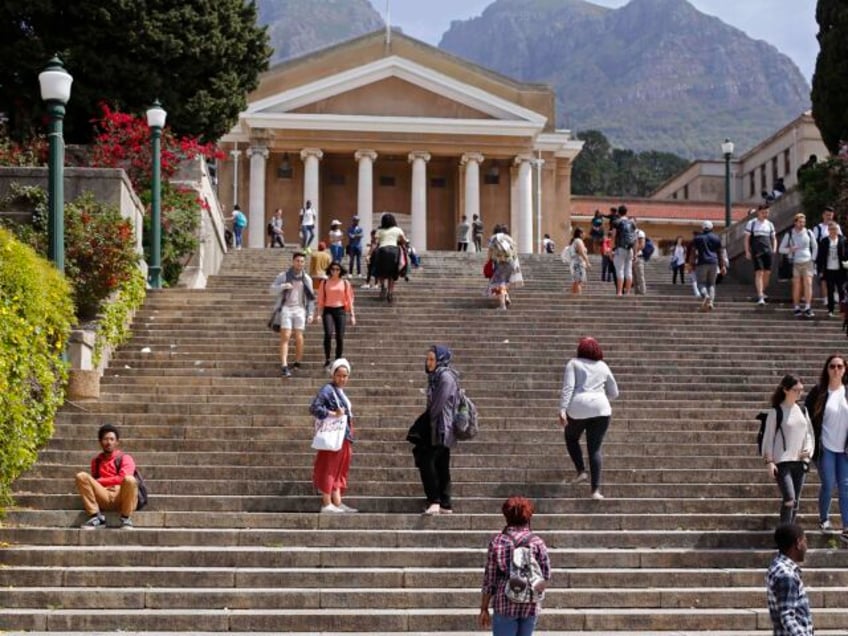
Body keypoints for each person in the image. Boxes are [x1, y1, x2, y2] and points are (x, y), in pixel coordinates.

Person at [478, 496, 551, 635]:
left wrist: (484, 608)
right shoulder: (537, 542)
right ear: (528, 517)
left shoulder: (498, 541)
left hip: (504, 603)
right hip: (530, 604)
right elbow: (546, 574)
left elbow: (489, 580)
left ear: (506, 516)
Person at [558, 337, 619, 500]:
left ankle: (581, 471)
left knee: (571, 437)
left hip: (578, 406)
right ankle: (595, 491)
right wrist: (599, 397)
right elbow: (614, 392)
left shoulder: (573, 363)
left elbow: (568, 387)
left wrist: (563, 409)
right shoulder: (603, 366)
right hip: (601, 408)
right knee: (595, 448)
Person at [804, 354, 848, 541]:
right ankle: (824, 518)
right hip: (825, 446)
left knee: (845, 487)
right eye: (832, 366)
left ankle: (846, 527)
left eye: (840, 366)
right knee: (829, 484)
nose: (836, 370)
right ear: (827, 369)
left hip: (844, 448)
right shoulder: (819, 392)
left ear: (845, 369)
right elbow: (805, 417)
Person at [762, 374, 815, 524]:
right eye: (796, 390)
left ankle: (790, 539)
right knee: (789, 499)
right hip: (782, 462)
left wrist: (808, 453)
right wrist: (769, 462)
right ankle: (784, 537)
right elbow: (768, 438)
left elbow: (809, 434)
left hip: (800, 462)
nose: (799, 393)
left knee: (796, 501)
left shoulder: (803, 410)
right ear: (785, 390)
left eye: (801, 390)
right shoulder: (776, 412)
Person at [413, 345, 459, 515]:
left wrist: (425, 423)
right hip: (439, 426)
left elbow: (437, 406)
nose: (429, 362)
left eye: (432, 359)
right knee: (441, 463)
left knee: (427, 461)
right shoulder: (436, 377)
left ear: (441, 360)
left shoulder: (445, 377)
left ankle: (435, 500)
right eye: (428, 359)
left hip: (440, 427)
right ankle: (445, 503)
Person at [310, 358, 357, 514]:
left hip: (344, 436)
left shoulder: (340, 392)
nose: (342, 379)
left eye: (345, 376)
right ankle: (327, 502)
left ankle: (337, 501)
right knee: (329, 467)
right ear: (333, 375)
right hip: (334, 435)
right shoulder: (328, 390)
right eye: (339, 376)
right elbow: (314, 407)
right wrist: (332, 413)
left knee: (339, 469)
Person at [75, 423, 139, 529]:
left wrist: (100, 481)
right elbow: (93, 482)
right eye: (105, 439)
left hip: (121, 496)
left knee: (130, 480)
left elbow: (123, 478)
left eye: (112, 439)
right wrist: (98, 482)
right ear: (100, 442)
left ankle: (126, 518)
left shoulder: (125, 458)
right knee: (81, 476)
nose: (108, 442)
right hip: (104, 495)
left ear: (117, 442)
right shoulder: (96, 461)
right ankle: (96, 517)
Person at [270, 252, 315, 378]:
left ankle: (297, 361)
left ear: (304, 263)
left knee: (299, 336)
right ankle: (284, 365)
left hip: (300, 309)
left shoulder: (307, 279)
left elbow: (311, 298)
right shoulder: (283, 276)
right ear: (293, 261)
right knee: (286, 335)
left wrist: (310, 313)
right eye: (297, 261)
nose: (299, 263)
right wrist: (283, 286)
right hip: (286, 308)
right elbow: (271, 289)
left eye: (302, 261)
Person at [766, 523, 813, 636]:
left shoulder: (777, 565)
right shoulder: (786, 575)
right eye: (804, 542)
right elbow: (787, 617)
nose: (806, 547)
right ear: (797, 543)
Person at [779, 213, 818, 319]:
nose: (802, 224)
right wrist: (790, 249)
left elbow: (815, 246)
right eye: (800, 222)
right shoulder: (790, 234)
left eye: (804, 222)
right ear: (795, 222)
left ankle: (808, 306)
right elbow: (780, 249)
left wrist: (813, 259)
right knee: (797, 285)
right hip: (795, 262)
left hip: (807, 261)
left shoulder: (809, 232)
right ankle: (796, 307)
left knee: (808, 283)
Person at [318, 262, 355, 369]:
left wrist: (352, 315)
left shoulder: (345, 283)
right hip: (328, 310)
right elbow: (320, 299)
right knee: (328, 334)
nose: (334, 271)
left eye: (337, 269)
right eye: (332, 269)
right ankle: (328, 359)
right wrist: (318, 314)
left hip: (340, 310)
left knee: (340, 336)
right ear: (329, 270)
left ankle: (338, 359)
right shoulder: (324, 282)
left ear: (340, 271)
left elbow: (349, 298)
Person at [744, 203, 777, 306]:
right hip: (757, 250)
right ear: (758, 212)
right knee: (759, 273)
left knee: (767, 273)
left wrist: (774, 248)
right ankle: (760, 296)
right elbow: (746, 239)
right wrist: (747, 251)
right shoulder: (752, 223)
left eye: (767, 212)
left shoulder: (770, 224)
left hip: (768, 250)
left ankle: (762, 291)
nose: (765, 214)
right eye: (763, 212)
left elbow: (774, 238)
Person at [815, 220, 848, 318]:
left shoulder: (843, 240)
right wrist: (820, 270)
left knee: (842, 290)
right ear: (828, 230)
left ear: (838, 230)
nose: (833, 231)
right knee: (830, 290)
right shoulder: (824, 241)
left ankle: (843, 310)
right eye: (831, 229)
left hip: (840, 270)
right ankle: (830, 310)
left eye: (835, 229)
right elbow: (820, 257)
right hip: (828, 269)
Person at [487, 225, 522, 310]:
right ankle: (506, 297)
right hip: (511, 263)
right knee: (504, 282)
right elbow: (515, 252)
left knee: (500, 283)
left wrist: (490, 260)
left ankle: (502, 305)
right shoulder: (510, 239)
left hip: (501, 263)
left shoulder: (494, 238)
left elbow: (490, 252)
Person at [692, 221, 725, 312]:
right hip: (714, 263)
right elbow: (720, 253)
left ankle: (705, 295)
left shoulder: (697, 238)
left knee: (700, 283)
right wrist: (722, 266)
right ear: (712, 228)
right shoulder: (716, 238)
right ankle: (711, 303)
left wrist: (691, 264)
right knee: (711, 284)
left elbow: (693, 252)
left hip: (702, 262)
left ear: (702, 228)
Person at [374, 213, 407, 303]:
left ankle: (383, 287)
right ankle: (390, 292)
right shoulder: (398, 229)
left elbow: (376, 242)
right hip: (394, 251)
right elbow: (404, 240)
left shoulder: (379, 230)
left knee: (380, 271)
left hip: (382, 251)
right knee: (392, 273)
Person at [812, 205, 842, 305]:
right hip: (823, 257)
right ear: (823, 215)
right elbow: (814, 243)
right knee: (824, 278)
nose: (829, 217)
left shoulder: (836, 227)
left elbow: (841, 240)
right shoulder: (818, 228)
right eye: (827, 215)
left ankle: (836, 295)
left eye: (831, 215)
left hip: (836, 257)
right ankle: (826, 298)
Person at [610, 205, 634, 296]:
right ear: (626, 212)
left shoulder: (617, 222)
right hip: (630, 249)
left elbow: (613, 236)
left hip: (620, 248)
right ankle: (628, 292)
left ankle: (619, 292)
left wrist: (611, 250)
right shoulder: (632, 223)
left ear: (618, 213)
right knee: (628, 271)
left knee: (619, 270)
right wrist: (635, 253)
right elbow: (634, 239)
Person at [562, 228, 590, 294]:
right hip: (578, 263)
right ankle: (578, 298)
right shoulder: (578, 241)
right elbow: (582, 252)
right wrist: (587, 262)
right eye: (584, 232)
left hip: (574, 263)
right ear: (580, 234)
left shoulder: (574, 241)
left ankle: (573, 297)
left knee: (576, 282)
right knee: (579, 281)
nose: (585, 234)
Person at [632, 225, 647, 295]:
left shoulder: (640, 233)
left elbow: (642, 245)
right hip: (630, 257)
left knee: (640, 276)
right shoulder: (628, 232)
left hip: (638, 257)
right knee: (634, 277)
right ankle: (637, 292)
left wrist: (634, 251)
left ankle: (643, 292)